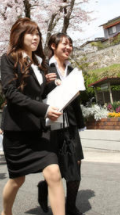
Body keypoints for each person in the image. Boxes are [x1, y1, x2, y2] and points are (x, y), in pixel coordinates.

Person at [0, 17, 65, 215]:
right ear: (19, 36)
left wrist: (52, 86)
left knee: (53, 173)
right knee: (17, 179)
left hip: (38, 130)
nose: (35, 37)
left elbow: (37, 94)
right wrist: (44, 109)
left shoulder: (38, 63)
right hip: (17, 132)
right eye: (30, 33)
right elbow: (11, 93)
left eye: (37, 33)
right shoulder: (9, 58)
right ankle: (6, 212)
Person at [37, 32, 86, 215]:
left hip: (70, 125)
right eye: (64, 44)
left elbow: (76, 102)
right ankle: (44, 187)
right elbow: (34, 95)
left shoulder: (73, 71)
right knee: (55, 168)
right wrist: (44, 84)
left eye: (70, 44)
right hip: (51, 126)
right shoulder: (43, 69)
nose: (68, 47)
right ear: (53, 46)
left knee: (75, 165)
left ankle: (71, 206)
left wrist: (80, 123)